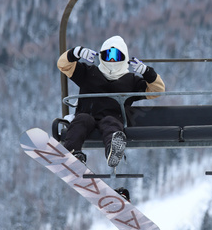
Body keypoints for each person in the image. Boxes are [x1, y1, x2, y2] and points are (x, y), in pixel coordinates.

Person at [57, 35, 165, 168]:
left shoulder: (130, 81)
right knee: (82, 121)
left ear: (124, 58)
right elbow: (63, 64)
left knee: (111, 124)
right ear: (101, 56)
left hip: (112, 118)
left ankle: (113, 151)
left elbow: (157, 90)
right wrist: (75, 53)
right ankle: (72, 152)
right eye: (108, 55)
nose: (112, 60)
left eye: (117, 56)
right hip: (86, 115)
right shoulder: (88, 73)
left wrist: (147, 72)